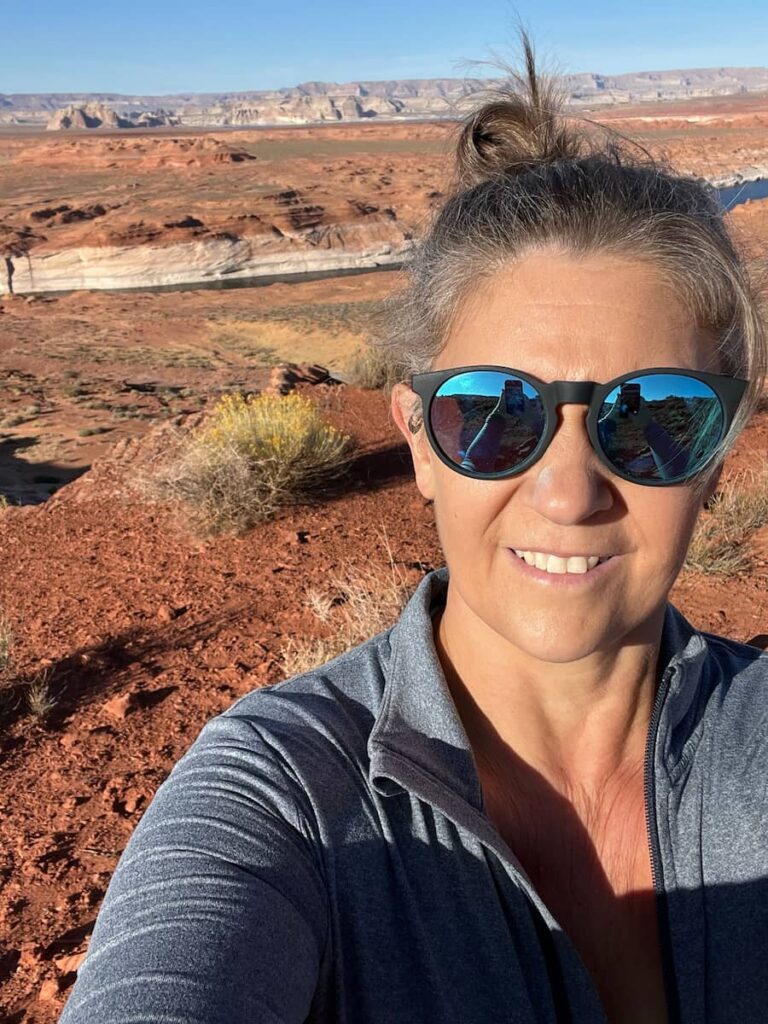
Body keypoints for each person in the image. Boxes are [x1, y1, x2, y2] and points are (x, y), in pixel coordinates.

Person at [58, 31, 768, 1024]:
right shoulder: (284, 794)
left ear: (717, 458)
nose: (569, 493)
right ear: (419, 443)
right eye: (494, 416)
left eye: (651, 419)